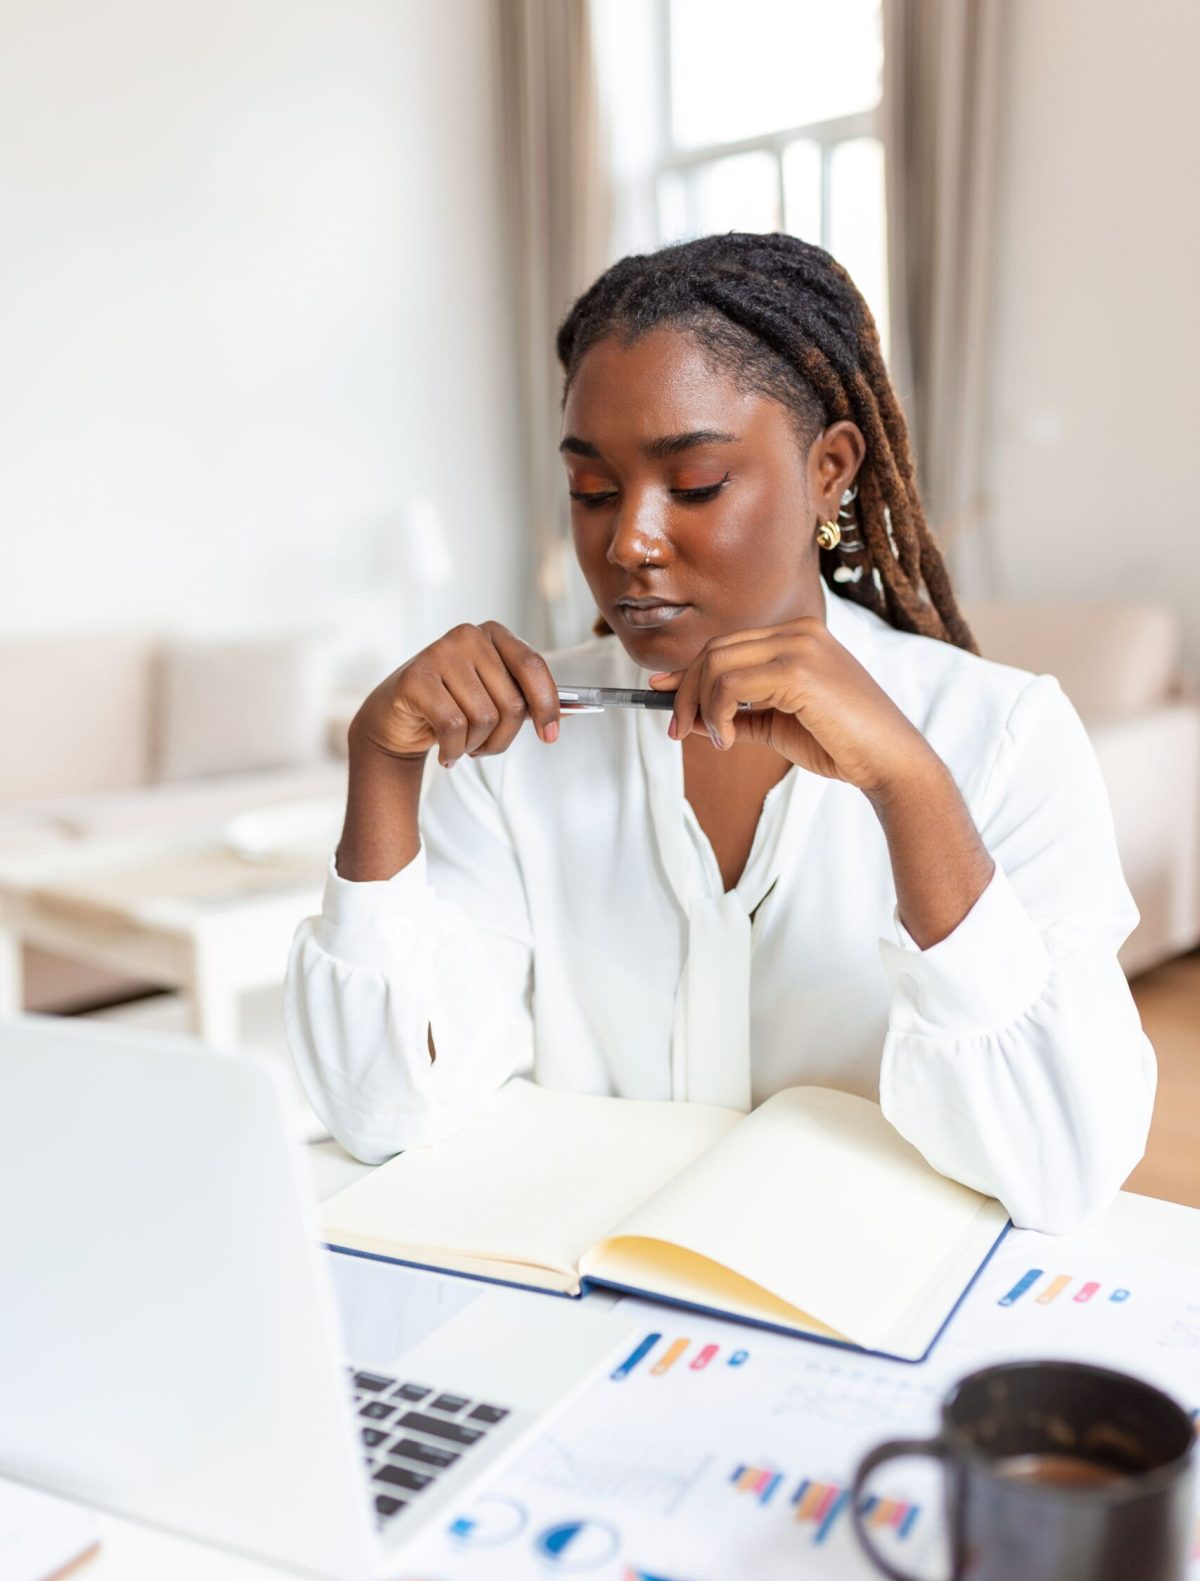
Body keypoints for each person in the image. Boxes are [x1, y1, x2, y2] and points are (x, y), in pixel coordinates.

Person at [285, 232, 1154, 1234]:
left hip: (869, 1301)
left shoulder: (1000, 734)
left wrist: (911, 790)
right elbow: (384, 1114)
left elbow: (1064, 1168)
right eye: (591, 491)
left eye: (695, 483)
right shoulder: (514, 745)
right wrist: (381, 766)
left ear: (829, 470)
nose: (628, 541)